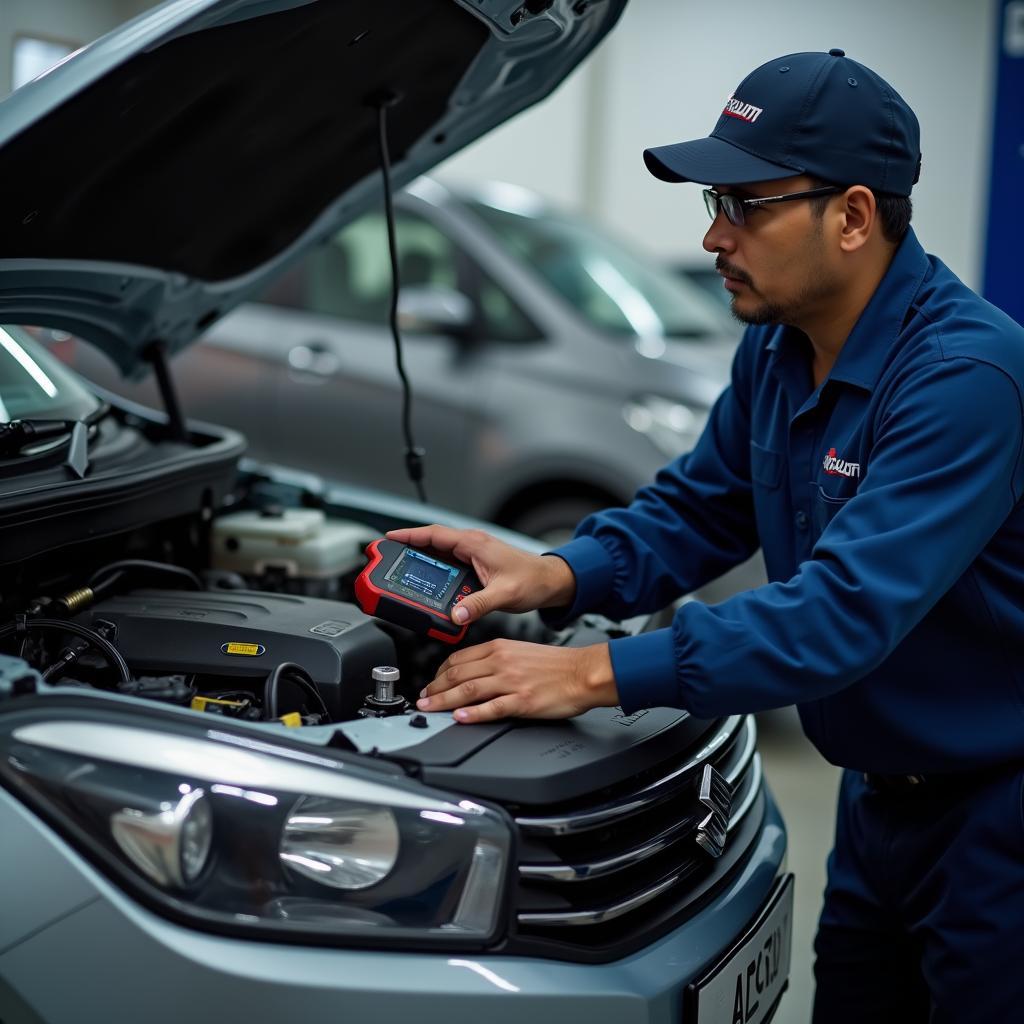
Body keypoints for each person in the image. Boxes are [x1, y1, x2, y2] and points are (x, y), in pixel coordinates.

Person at [389, 49, 1024, 1021]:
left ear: (852, 217)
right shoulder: (778, 344)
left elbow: (836, 615)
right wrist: (553, 574)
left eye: (744, 206)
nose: (714, 237)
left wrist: (591, 672)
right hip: (875, 800)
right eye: (710, 206)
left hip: (996, 814)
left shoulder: (965, 379)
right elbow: (700, 506)